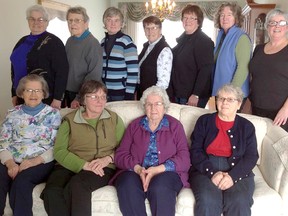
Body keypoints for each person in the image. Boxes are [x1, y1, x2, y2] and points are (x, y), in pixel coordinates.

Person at [41, 80, 125, 216]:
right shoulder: (69, 120)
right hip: (69, 165)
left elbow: (124, 148)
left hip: (102, 166)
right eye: (94, 97)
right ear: (83, 99)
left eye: (103, 96)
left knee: (78, 185)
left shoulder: (113, 118)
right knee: (51, 192)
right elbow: (59, 151)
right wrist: (83, 165)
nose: (100, 101)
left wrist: (107, 159)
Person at [112, 85, 190, 216]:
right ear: (144, 106)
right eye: (149, 104)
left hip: (166, 173)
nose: (153, 108)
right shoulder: (134, 126)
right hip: (136, 171)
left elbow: (185, 159)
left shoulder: (175, 126)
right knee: (127, 185)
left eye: (158, 104)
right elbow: (120, 155)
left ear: (165, 106)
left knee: (160, 188)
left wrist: (157, 169)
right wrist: (138, 169)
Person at [189, 84, 259, 216]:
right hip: (205, 167)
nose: (224, 102)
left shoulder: (247, 127)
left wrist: (233, 177)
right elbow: (195, 151)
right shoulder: (204, 121)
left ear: (239, 104)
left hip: (237, 169)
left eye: (230, 99)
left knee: (239, 201)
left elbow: (251, 157)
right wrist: (212, 173)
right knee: (208, 201)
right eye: (221, 98)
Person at [0, 74, 61, 216]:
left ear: (44, 93)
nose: (33, 94)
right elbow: (3, 143)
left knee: (21, 183)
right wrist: (10, 163)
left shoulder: (53, 114)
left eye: (38, 90)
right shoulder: (12, 114)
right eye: (29, 90)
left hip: (41, 161)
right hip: (12, 159)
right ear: (22, 93)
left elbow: (56, 146)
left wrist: (33, 162)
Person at [10, 4, 69, 109]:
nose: (36, 22)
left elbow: (62, 71)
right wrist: (14, 93)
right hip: (22, 95)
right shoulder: (21, 42)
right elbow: (14, 68)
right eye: (32, 19)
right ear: (28, 21)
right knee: (23, 124)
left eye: (40, 19)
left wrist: (57, 98)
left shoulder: (54, 42)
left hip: (45, 97)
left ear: (47, 22)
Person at [249, 9, 288, 132]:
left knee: (278, 149)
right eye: (272, 23)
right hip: (256, 109)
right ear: (267, 26)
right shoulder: (259, 49)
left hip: (281, 113)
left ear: (287, 27)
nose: (277, 26)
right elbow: (254, 78)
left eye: (282, 23)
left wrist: (286, 110)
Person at [171, 4, 214, 108]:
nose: (187, 20)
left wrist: (196, 94)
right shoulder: (183, 40)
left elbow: (205, 70)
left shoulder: (204, 41)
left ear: (198, 21)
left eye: (192, 18)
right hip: (179, 92)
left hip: (192, 96)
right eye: (185, 17)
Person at [212, 2, 252, 110]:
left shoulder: (241, 38)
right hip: (221, 91)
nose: (225, 18)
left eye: (229, 15)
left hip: (233, 94)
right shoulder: (221, 36)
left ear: (236, 18)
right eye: (222, 15)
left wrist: (231, 94)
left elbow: (243, 68)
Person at [63, 6, 103, 109]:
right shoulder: (69, 41)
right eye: (70, 20)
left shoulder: (92, 43)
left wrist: (79, 97)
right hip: (67, 93)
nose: (72, 24)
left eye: (77, 20)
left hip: (83, 95)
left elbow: (94, 75)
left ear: (86, 23)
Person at [101, 7, 139, 101]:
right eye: (109, 20)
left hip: (121, 93)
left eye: (116, 20)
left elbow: (133, 71)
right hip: (104, 92)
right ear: (105, 23)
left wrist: (129, 94)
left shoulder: (127, 42)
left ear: (121, 24)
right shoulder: (102, 42)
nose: (113, 24)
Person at [137, 16, 173, 99]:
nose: (150, 31)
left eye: (154, 28)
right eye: (147, 28)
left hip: (155, 98)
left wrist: (149, 97)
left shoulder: (164, 50)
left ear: (160, 30)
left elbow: (163, 83)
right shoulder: (147, 47)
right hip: (144, 95)